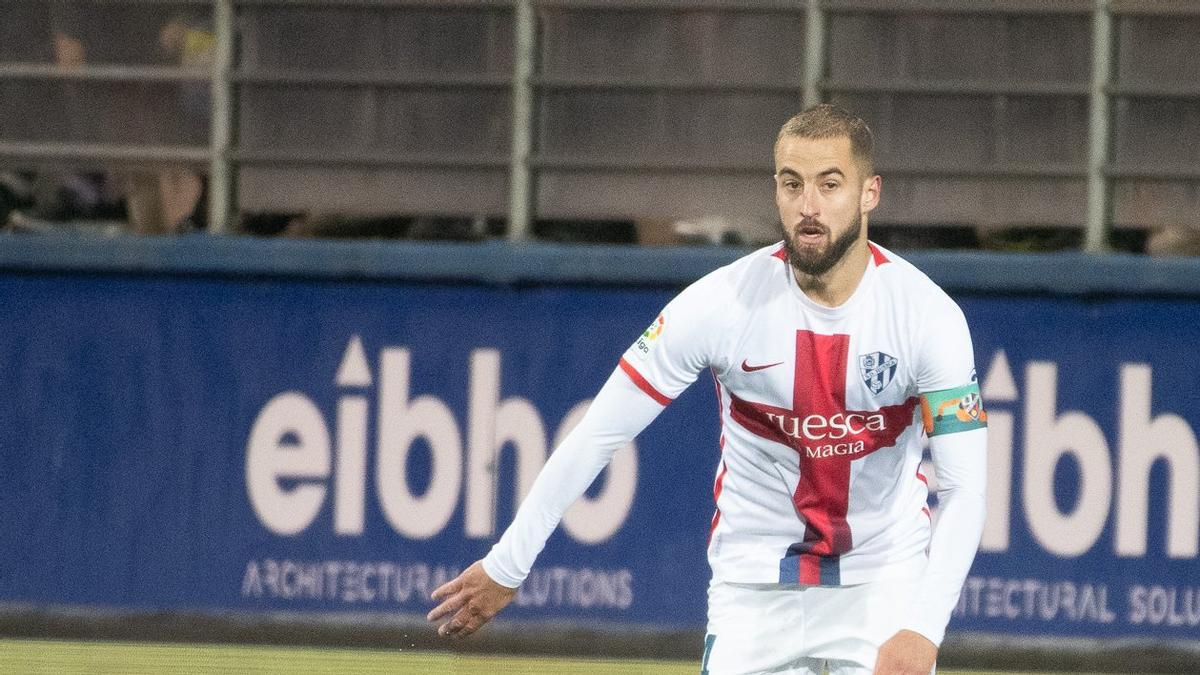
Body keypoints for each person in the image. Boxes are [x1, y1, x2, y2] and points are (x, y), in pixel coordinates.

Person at [427, 104, 988, 675]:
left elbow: (966, 490)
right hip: (751, 592)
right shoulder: (719, 305)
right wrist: (508, 564)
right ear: (775, 190)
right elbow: (598, 434)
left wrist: (923, 626)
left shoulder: (928, 319)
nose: (809, 206)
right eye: (792, 185)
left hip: (884, 590)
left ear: (870, 193)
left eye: (830, 184)